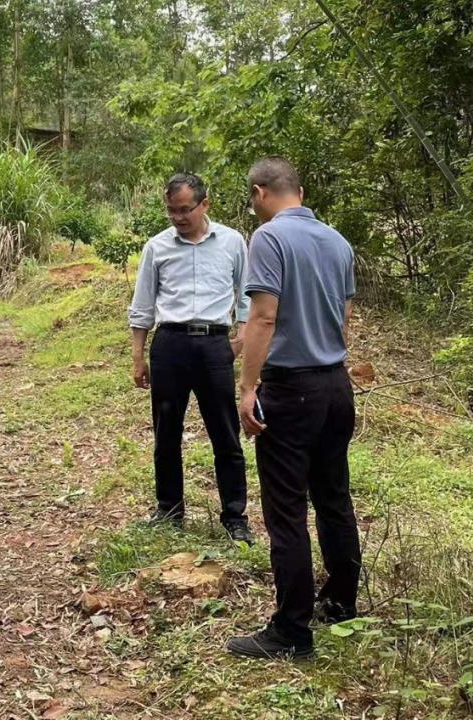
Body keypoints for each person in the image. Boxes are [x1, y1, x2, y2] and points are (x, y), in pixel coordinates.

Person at [227, 156, 362, 661]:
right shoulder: (337, 241)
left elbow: (262, 316)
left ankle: (291, 630)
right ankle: (342, 602)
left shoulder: (269, 238)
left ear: (260, 192)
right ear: (299, 192)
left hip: (291, 387)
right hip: (335, 385)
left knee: (286, 512)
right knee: (334, 498)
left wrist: (247, 388)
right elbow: (345, 312)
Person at [128, 172, 253, 544]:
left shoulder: (232, 242)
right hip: (170, 345)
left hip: (215, 345)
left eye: (185, 210)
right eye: (171, 211)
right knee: (166, 431)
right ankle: (169, 508)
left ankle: (234, 515)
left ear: (204, 204)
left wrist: (242, 336)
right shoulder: (157, 247)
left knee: (225, 433)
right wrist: (138, 356)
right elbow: (143, 305)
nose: (179, 218)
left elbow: (246, 293)